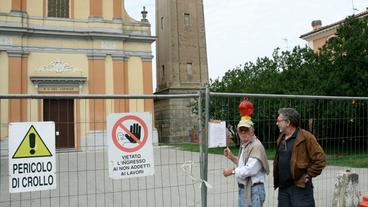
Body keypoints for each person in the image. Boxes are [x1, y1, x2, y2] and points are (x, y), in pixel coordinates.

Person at [273, 108, 326, 207]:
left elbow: (320, 159)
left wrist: (308, 175)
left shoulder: (306, 137)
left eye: (279, 121)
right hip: (283, 189)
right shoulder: (281, 138)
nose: (277, 123)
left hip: (300, 188)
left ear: (288, 122)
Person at [223, 119, 270, 207]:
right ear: (238, 132)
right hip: (245, 189)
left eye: (246, 130)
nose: (243, 133)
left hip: (254, 190)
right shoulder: (246, 145)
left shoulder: (256, 146)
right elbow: (244, 165)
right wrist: (232, 157)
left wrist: (232, 171)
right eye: (241, 130)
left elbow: (250, 170)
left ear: (252, 131)